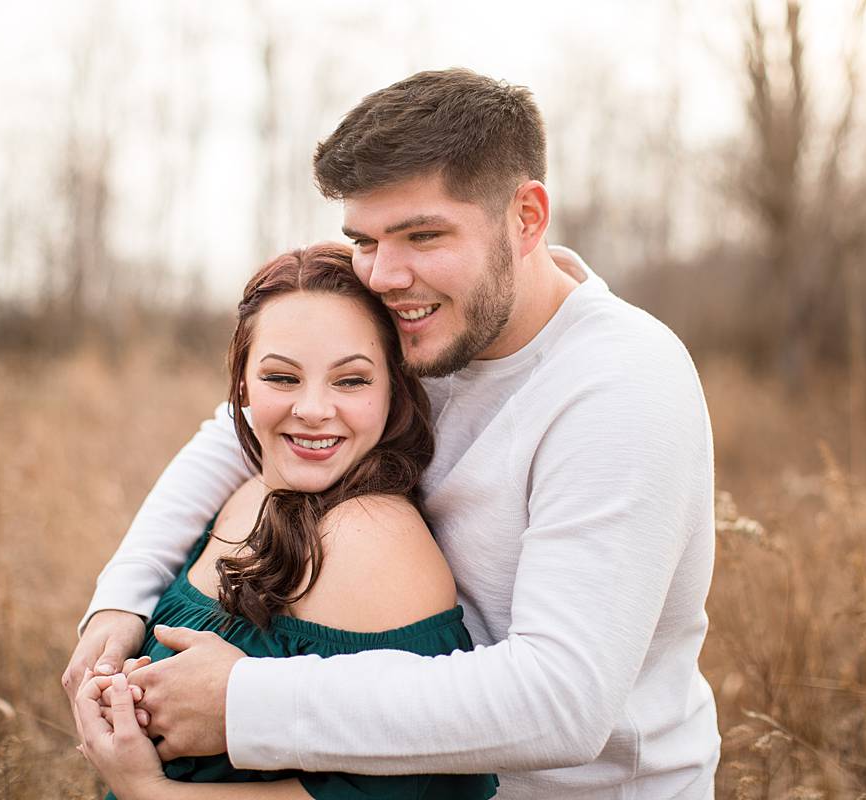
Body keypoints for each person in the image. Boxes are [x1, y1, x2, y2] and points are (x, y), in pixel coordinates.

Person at [63, 68, 720, 799]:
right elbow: (240, 425)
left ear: (527, 218)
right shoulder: (432, 320)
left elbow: (562, 701)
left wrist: (247, 702)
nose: (382, 274)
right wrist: (122, 598)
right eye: (365, 239)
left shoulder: (620, 385)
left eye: (423, 235)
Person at [73, 243, 498, 799]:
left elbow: (398, 786)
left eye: (351, 381)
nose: (315, 408)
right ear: (242, 383)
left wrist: (150, 790)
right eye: (282, 378)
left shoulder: (377, 541)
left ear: (393, 389)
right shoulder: (242, 493)